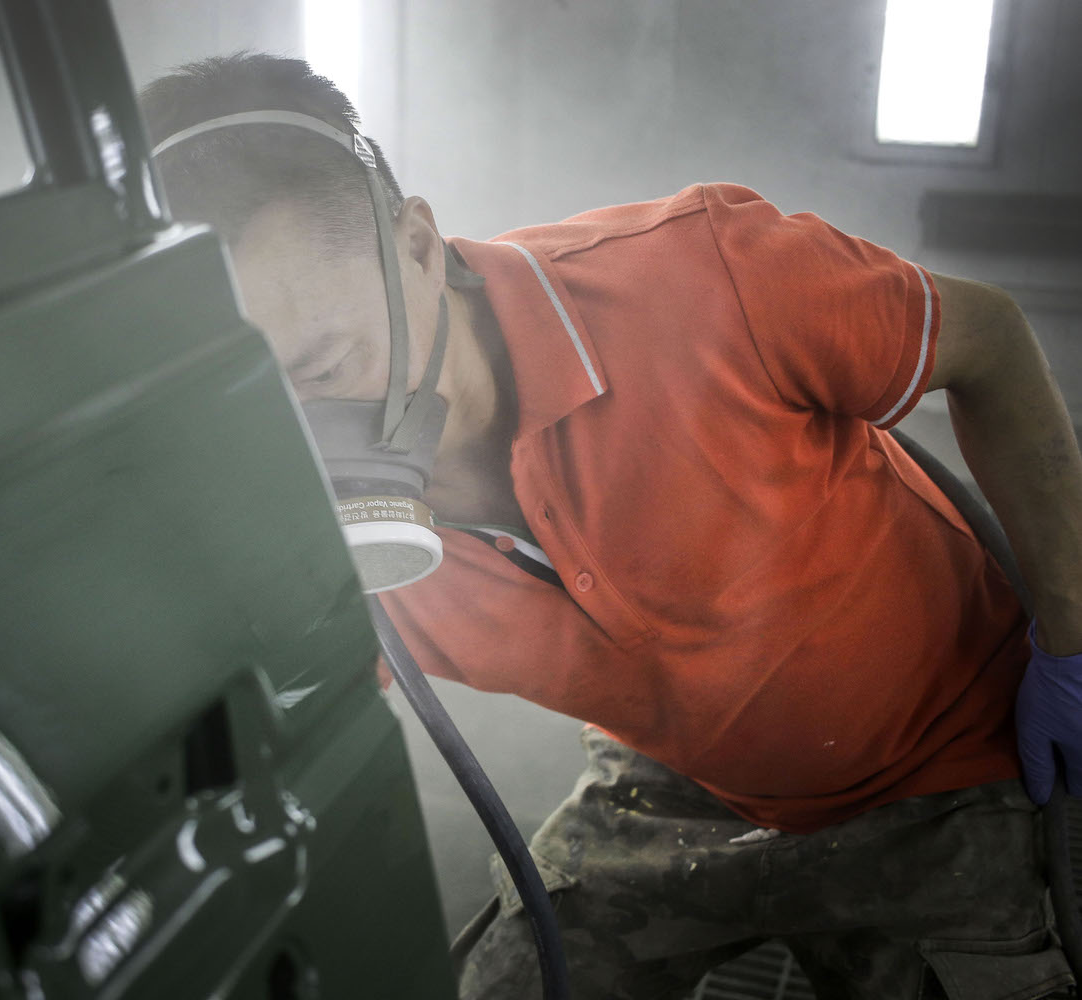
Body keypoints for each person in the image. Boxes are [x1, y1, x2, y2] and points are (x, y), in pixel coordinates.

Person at [140, 53, 1082, 998]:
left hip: (945, 775)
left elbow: (988, 339)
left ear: (417, 247)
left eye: (326, 367)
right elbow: (275, 740)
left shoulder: (705, 280)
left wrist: (1074, 640)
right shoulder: (288, 525)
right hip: (673, 795)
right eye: (255, 400)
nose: (306, 438)